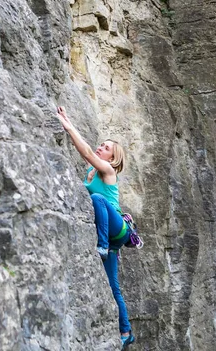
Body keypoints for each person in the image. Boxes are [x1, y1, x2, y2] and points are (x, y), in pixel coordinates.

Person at [56, 106, 135, 350]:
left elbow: (88, 152)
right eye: (101, 144)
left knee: (98, 200)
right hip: (110, 235)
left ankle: (101, 246)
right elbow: (87, 153)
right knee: (114, 286)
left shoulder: (108, 170)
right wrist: (68, 123)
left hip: (117, 230)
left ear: (113, 158)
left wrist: (68, 126)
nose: (101, 147)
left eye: (106, 148)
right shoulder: (92, 171)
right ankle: (126, 331)